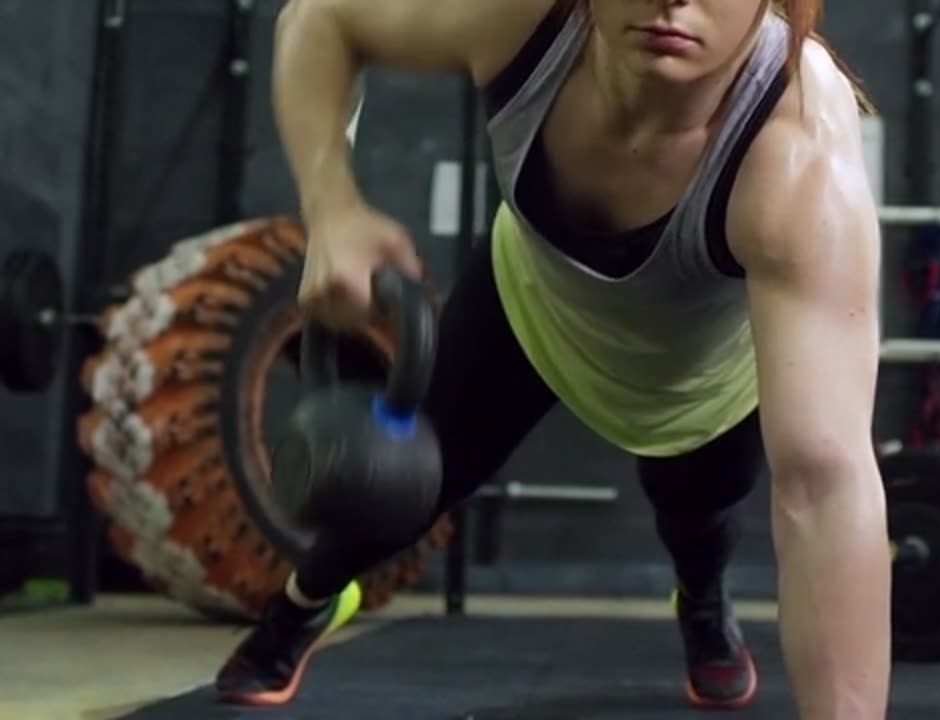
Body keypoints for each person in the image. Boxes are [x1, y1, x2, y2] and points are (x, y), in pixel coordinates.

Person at [215, 0, 890, 717]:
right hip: (529, 305)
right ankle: (300, 606)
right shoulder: (518, 18)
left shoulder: (798, 149)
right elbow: (320, 18)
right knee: (402, 481)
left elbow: (826, 483)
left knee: (699, 520)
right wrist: (330, 207)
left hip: (700, 382)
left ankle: (703, 606)